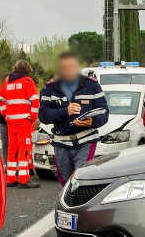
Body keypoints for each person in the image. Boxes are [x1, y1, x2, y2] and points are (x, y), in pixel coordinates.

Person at [39, 52, 108, 183]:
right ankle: (67, 202)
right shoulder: (50, 89)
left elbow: (104, 112)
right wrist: (66, 111)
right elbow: (43, 115)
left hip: (86, 141)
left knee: (81, 178)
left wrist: (92, 121)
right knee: (65, 181)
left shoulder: (92, 86)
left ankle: (83, 203)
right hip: (61, 142)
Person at [0, 61, 40, 187]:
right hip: (24, 122)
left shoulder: (7, 81)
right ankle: (23, 180)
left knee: (12, 149)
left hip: (11, 121)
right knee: (24, 149)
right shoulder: (27, 81)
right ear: (27, 69)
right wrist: (32, 117)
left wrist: (6, 114)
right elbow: (35, 101)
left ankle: (10, 179)